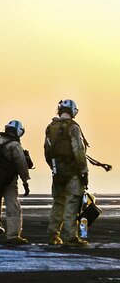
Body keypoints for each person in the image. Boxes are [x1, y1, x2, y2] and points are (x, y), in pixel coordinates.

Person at [44, 99, 89, 247]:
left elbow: (47, 151)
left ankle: (53, 235)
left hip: (57, 172)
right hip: (72, 171)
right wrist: (84, 171)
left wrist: (54, 167)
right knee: (72, 203)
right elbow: (78, 150)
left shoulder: (51, 127)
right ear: (73, 111)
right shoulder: (73, 128)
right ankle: (71, 237)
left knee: (58, 203)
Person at [0, 120, 30, 244]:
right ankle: (13, 235)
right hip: (9, 181)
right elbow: (21, 164)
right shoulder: (14, 145)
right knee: (13, 207)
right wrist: (25, 181)